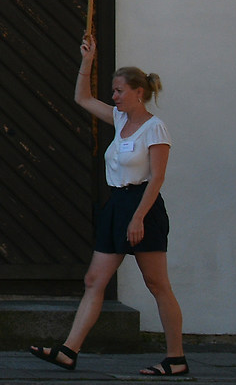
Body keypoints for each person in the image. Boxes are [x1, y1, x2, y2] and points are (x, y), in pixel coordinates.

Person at [31, 36, 188, 376]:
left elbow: (157, 177)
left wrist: (138, 218)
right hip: (116, 204)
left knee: (157, 284)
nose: (114, 96)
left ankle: (176, 358)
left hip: (142, 205)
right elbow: (82, 98)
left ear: (138, 92)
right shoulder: (119, 119)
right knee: (94, 280)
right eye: (114, 91)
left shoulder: (154, 128)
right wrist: (88, 60)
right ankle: (68, 351)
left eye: (119, 91)